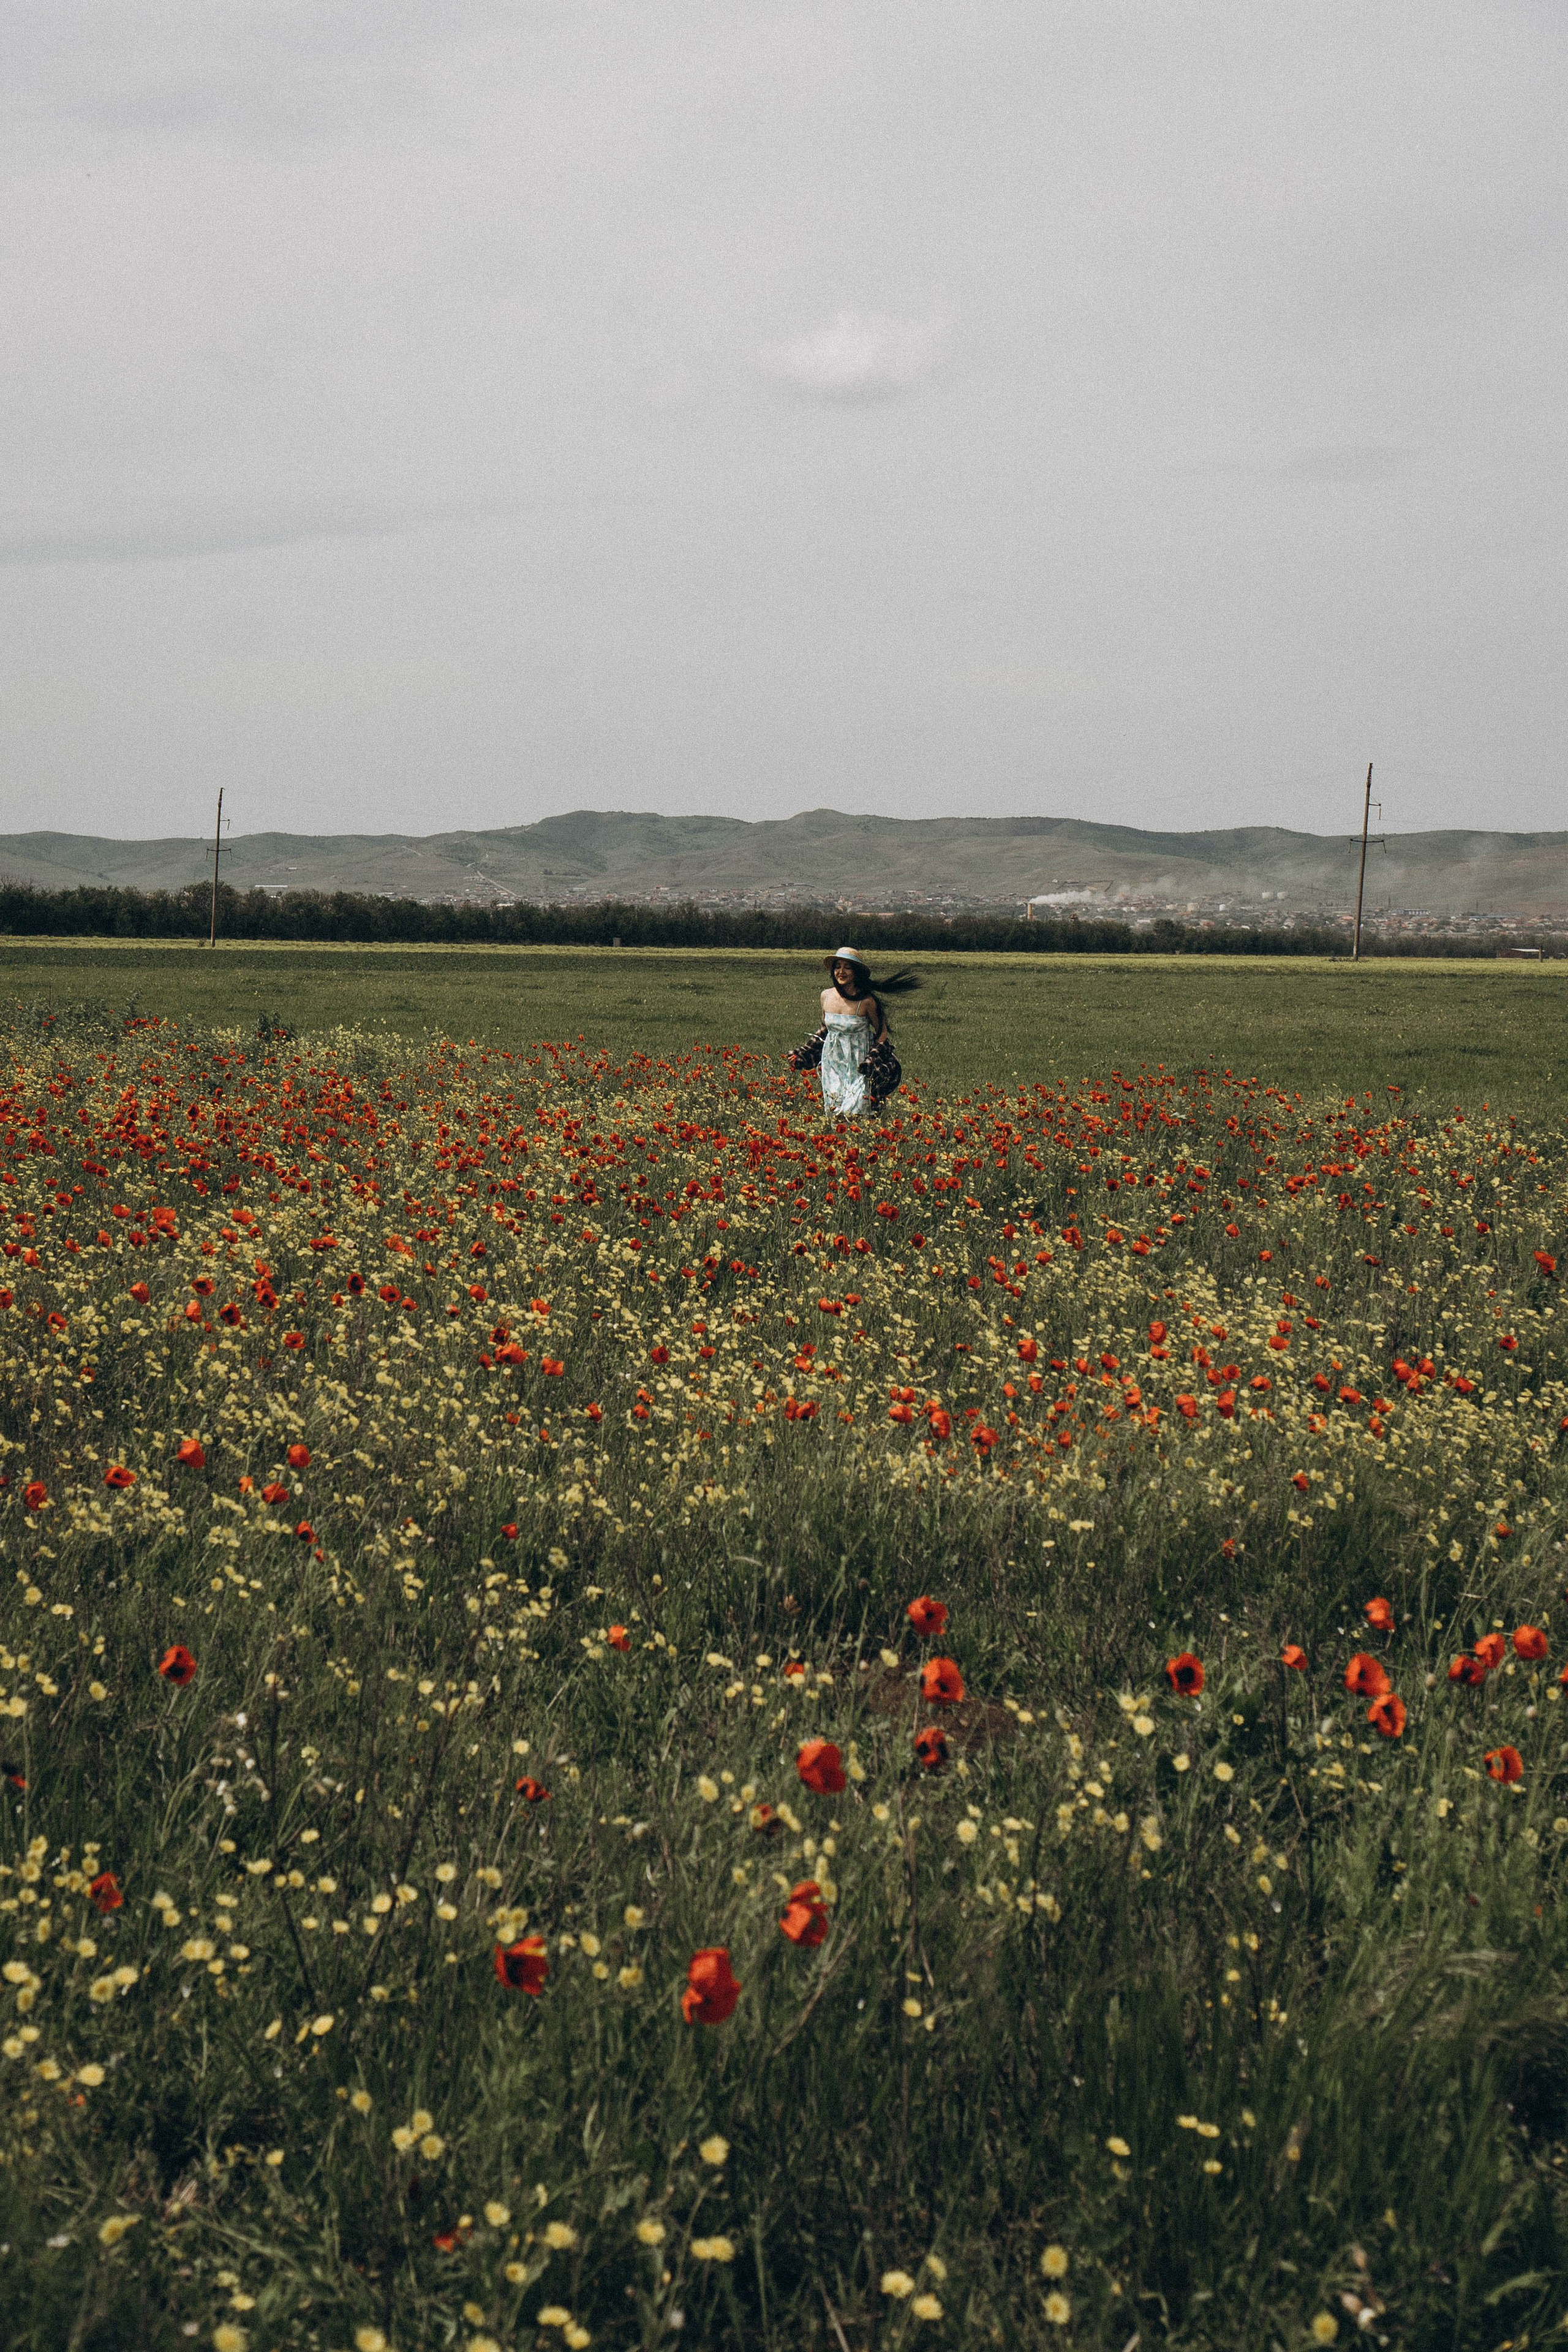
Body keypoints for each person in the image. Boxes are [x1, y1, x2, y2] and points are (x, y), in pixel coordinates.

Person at [787, 948, 919, 1118]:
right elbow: (825, 1030)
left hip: (858, 1062)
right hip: (833, 1060)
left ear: (856, 972)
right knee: (836, 1109)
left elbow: (882, 1033)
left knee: (857, 1109)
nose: (841, 972)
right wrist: (803, 1053)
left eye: (847, 967)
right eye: (838, 967)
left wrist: (871, 1060)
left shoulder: (867, 1001)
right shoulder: (826, 996)